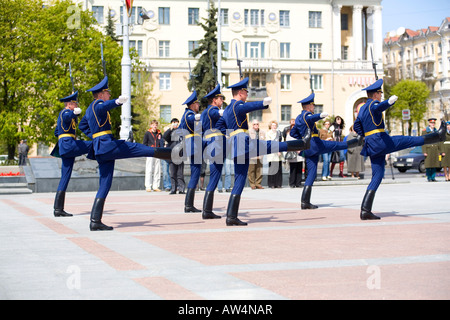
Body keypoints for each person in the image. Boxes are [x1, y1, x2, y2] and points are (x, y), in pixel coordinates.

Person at [78, 76, 171, 231]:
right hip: (107, 145)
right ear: (101, 94)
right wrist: (116, 102)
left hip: (101, 147)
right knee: (136, 149)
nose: (109, 94)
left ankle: (95, 220)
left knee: (105, 183)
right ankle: (170, 154)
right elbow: (103, 107)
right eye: (107, 92)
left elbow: (82, 125)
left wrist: (95, 137)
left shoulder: (89, 109)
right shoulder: (98, 104)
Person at [217, 77, 310, 226]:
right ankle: (301, 143)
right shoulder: (237, 105)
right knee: (269, 145)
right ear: (240, 92)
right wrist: (262, 103)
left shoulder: (227, 109)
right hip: (242, 141)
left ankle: (231, 216)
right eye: (246, 92)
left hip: (235, 144)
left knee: (240, 180)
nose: (247, 95)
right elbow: (245, 108)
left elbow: (220, 126)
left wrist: (229, 134)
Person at [353, 79, 446, 220]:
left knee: (377, 176)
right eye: (380, 93)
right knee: (407, 140)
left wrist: (366, 135)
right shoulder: (373, 104)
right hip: (381, 140)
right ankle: (438, 136)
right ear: (376, 94)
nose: (381, 95)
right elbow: (378, 108)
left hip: (372, 144)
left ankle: (365, 210)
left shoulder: (362, 108)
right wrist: (389, 102)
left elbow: (357, 127)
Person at [290, 93, 362, 210]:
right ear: (308, 106)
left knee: (312, 173)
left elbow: (293, 133)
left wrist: (303, 139)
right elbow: (310, 118)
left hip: (307, 147)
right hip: (315, 143)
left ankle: (305, 202)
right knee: (334, 145)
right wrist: (320, 116)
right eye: (313, 105)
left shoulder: (298, 118)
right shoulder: (307, 115)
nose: (313, 107)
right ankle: (353, 142)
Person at [50, 91, 92, 217]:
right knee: (94, 143)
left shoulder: (65, 114)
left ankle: (58, 209)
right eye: (75, 103)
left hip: (66, 145)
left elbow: (57, 132)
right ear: (69, 104)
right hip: (69, 144)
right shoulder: (66, 112)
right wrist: (74, 113)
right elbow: (68, 117)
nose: (76, 105)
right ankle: (102, 151)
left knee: (65, 177)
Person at [200, 84, 226, 219]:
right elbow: (219, 113)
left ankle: (207, 210)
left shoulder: (205, 112)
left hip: (213, 143)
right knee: (215, 176)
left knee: (215, 177)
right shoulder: (211, 110)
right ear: (214, 100)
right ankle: (207, 211)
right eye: (220, 99)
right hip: (216, 144)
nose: (222, 101)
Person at [177, 90, 203, 213]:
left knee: (195, 174)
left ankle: (189, 204)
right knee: (195, 174)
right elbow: (192, 119)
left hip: (194, 146)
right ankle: (188, 205)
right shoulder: (188, 114)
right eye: (197, 103)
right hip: (193, 146)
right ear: (192, 104)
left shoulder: (188, 114)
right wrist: (202, 116)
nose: (198, 105)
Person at [163, 118, 185, 194]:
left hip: (180, 154)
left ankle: (181, 188)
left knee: (180, 173)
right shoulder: (169, 132)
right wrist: (170, 129)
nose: (175, 124)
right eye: (174, 122)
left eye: (176, 122)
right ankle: (173, 188)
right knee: (172, 173)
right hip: (172, 154)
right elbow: (165, 137)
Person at [143, 120, 163, 192]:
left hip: (157, 152)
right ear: (151, 126)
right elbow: (144, 143)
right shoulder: (147, 133)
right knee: (149, 169)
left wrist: (161, 149)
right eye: (153, 125)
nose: (155, 126)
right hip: (150, 151)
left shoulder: (159, 133)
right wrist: (146, 151)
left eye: (156, 125)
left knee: (157, 169)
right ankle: (148, 186)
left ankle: (156, 186)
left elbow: (161, 142)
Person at [247, 119, 265, 189]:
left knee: (259, 169)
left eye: (257, 124)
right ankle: (252, 184)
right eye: (254, 124)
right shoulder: (249, 132)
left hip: (260, 153)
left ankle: (258, 183)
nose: (256, 125)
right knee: (251, 169)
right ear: (252, 125)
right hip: (252, 153)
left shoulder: (262, 132)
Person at [266, 120, 283, 188]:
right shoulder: (268, 133)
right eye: (273, 125)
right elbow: (269, 143)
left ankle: (278, 183)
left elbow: (281, 141)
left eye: (275, 125)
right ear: (270, 126)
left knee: (279, 169)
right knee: (272, 169)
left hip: (279, 153)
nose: (274, 127)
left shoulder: (279, 133)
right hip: (272, 153)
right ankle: (271, 184)